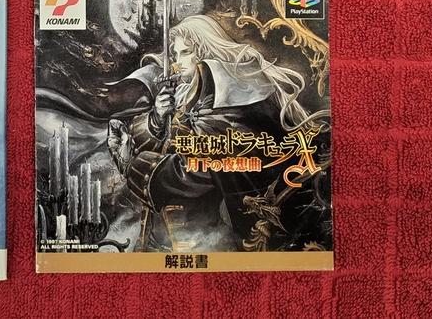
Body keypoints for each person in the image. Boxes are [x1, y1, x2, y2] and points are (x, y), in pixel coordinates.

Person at [106, 14, 329, 252]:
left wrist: (132, 164)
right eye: (176, 53)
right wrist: (158, 118)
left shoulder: (227, 100)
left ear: (205, 51)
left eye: (186, 52)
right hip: (182, 228)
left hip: (221, 230)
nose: (177, 62)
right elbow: (174, 142)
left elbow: (193, 170)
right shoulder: (193, 92)